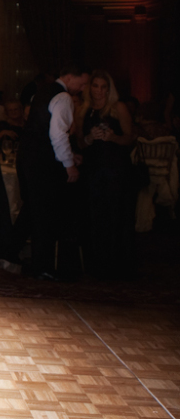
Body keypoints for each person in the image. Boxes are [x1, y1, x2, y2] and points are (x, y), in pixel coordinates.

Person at [16, 65, 90, 281]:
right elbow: (58, 134)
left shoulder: (43, 91)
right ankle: (42, 266)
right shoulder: (63, 97)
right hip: (43, 163)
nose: (82, 88)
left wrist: (69, 156)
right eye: (82, 83)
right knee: (44, 214)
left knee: (33, 210)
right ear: (70, 76)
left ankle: (11, 251)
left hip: (29, 157)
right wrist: (69, 164)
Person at [76, 70, 136, 278]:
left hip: (116, 169)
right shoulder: (83, 110)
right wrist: (89, 138)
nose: (99, 91)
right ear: (90, 88)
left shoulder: (118, 108)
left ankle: (116, 264)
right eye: (96, 86)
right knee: (94, 216)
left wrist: (113, 138)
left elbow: (129, 137)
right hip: (92, 170)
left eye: (103, 87)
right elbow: (79, 143)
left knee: (116, 215)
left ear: (109, 89)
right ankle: (96, 264)